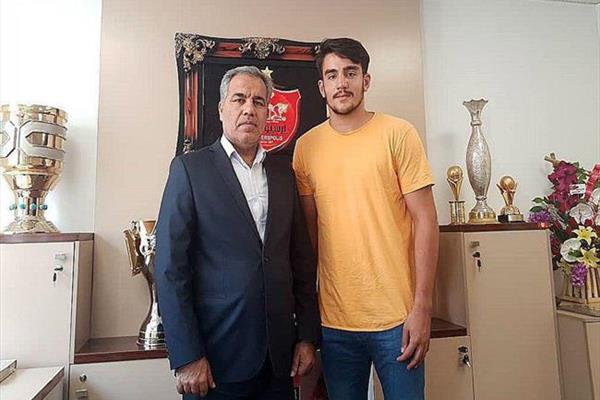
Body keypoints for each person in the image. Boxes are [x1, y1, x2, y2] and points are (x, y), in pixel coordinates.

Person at [156, 65, 320, 400]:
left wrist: (306, 336)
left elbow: (301, 261)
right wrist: (187, 355)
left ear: (267, 112)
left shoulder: (284, 174)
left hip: (279, 361)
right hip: (214, 362)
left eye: (259, 102)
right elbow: (170, 268)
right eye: (239, 99)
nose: (249, 109)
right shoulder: (190, 170)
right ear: (221, 109)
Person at [292, 38, 439, 400]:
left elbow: (425, 221)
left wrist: (422, 307)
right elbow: (309, 238)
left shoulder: (398, 134)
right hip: (335, 323)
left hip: (398, 319)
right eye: (332, 75)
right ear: (321, 87)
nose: (341, 83)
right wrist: (306, 320)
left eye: (350, 73)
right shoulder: (306, 148)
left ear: (366, 80)